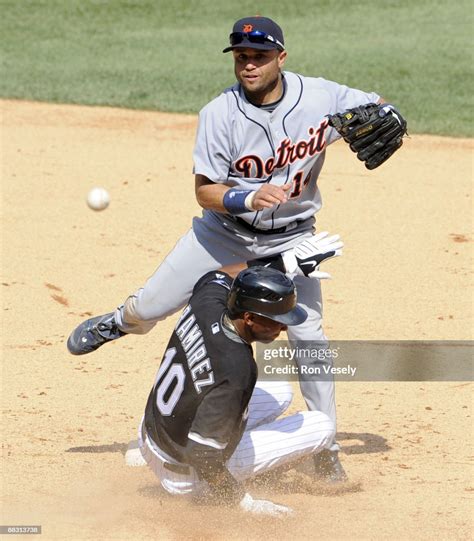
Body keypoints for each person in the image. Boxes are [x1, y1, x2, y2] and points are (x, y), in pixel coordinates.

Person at [67, 15, 397, 481]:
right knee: (152, 305)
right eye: (241, 56)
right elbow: (205, 191)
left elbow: (376, 107)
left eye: (259, 56)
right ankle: (119, 322)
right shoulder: (217, 114)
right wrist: (247, 196)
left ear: (280, 58)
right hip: (222, 233)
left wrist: (386, 113)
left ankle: (326, 447)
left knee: (310, 341)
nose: (248, 65)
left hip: (293, 236)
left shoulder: (320, 95)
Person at [133, 265, 335, 516]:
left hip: (152, 432)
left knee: (281, 391)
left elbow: (215, 274)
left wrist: (280, 266)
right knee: (321, 427)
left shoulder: (210, 298)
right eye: (277, 321)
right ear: (249, 318)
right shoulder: (236, 369)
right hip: (184, 472)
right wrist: (243, 502)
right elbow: (202, 453)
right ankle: (212, 492)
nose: (283, 329)